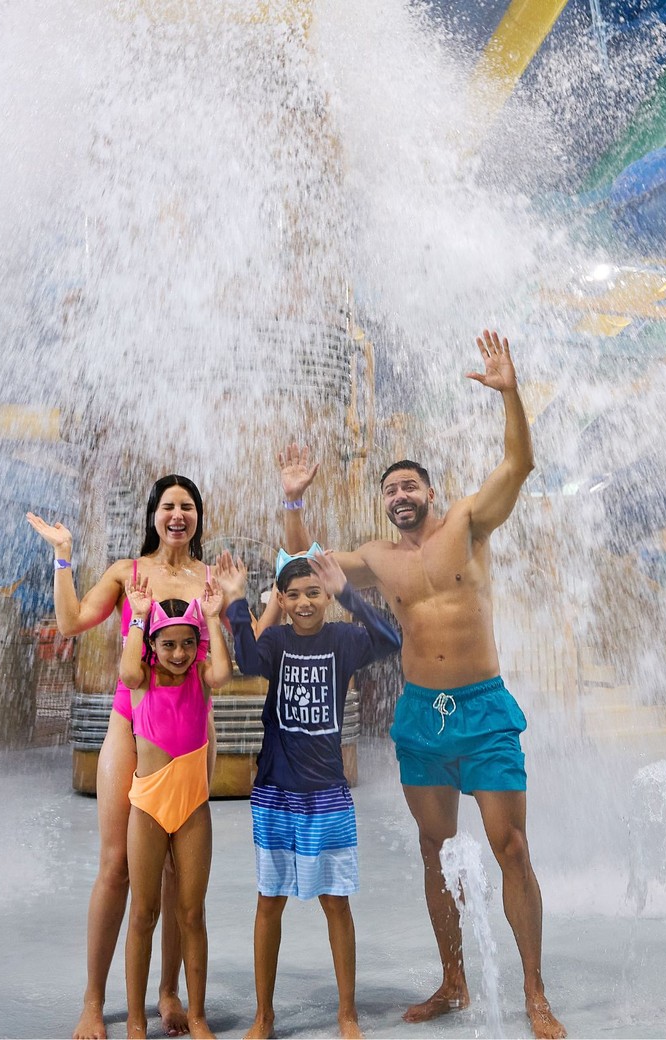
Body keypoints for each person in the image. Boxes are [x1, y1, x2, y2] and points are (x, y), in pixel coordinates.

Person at [277, 330, 566, 1040]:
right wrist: (293, 500)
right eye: (390, 490)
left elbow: (519, 464)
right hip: (421, 716)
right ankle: (454, 979)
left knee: (510, 846)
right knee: (436, 849)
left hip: (484, 710)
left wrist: (510, 394)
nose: (400, 495)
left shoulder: (467, 522)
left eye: (409, 485)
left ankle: (533, 990)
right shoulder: (378, 558)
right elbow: (302, 562)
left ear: (430, 492)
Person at [26, 474, 215, 1040]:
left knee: (179, 874)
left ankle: (169, 992)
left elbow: (228, 655)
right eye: (168, 506)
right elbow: (70, 622)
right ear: (153, 514)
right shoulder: (126, 573)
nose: (177, 515)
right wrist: (63, 556)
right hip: (130, 727)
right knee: (116, 865)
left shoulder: (210, 579)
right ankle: (93, 1000)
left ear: (197, 516)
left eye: (187, 506)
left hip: (189, 734)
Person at [217, 548, 401, 1040]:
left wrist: (349, 594)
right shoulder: (275, 641)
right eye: (294, 594)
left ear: (326, 597)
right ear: (280, 599)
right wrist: (236, 600)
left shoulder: (344, 639)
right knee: (269, 901)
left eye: (314, 593)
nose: (304, 602)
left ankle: (347, 1013)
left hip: (327, 795)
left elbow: (390, 640)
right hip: (275, 791)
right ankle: (264, 1015)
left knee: (336, 902)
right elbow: (246, 659)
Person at [120, 581, 231, 1040]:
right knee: (143, 914)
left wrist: (213, 618)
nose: (180, 653)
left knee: (192, 914)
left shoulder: (201, 678)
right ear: (152, 645)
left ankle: (198, 1015)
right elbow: (127, 670)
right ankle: (135, 1020)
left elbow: (222, 671)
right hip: (148, 807)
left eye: (188, 643)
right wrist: (139, 616)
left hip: (192, 809)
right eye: (168, 644)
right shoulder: (142, 680)